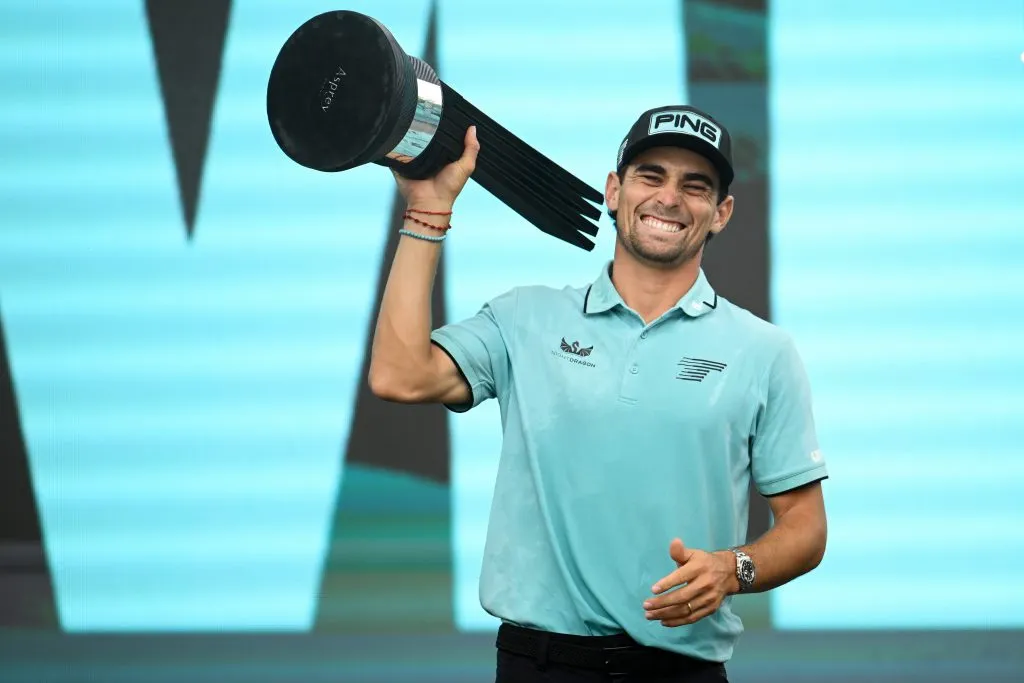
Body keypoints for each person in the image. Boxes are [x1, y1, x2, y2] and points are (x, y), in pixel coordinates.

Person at [368, 105, 829, 682]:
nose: (669, 198)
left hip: (679, 672)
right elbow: (399, 375)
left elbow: (806, 529)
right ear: (614, 190)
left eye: (695, 186)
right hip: (538, 667)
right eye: (650, 176)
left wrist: (733, 568)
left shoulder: (764, 350)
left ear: (721, 213)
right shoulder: (525, 317)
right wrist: (427, 209)